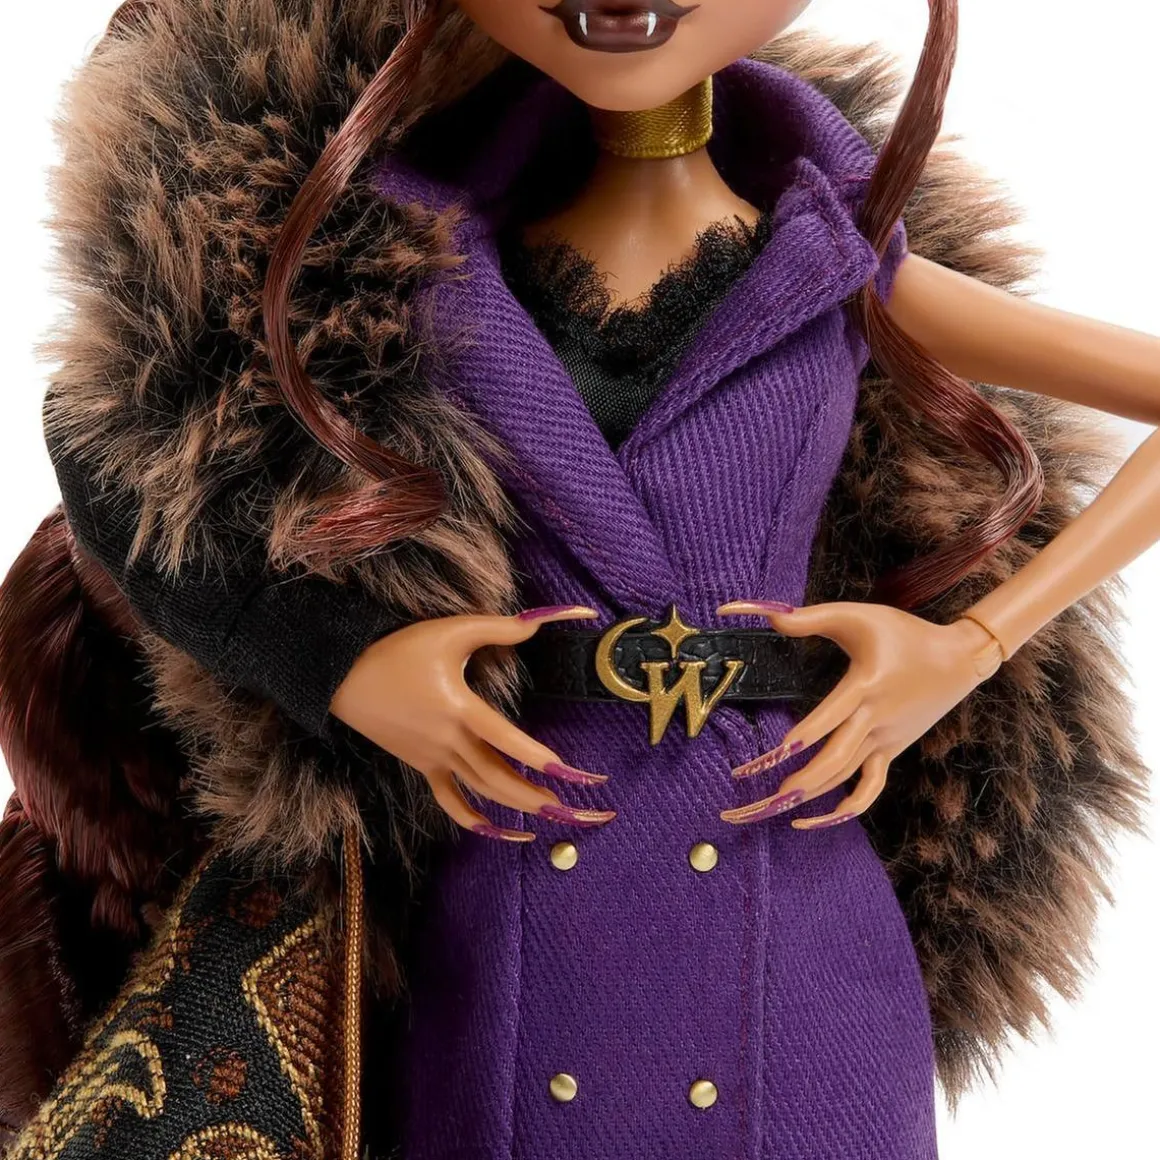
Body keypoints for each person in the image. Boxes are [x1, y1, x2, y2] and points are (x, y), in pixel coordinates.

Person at [0, 1, 1154, 1158]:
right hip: (517, 908)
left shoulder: (838, 265)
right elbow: (108, 447)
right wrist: (338, 660)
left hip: (788, 902)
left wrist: (969, 644)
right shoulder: (408, 259)